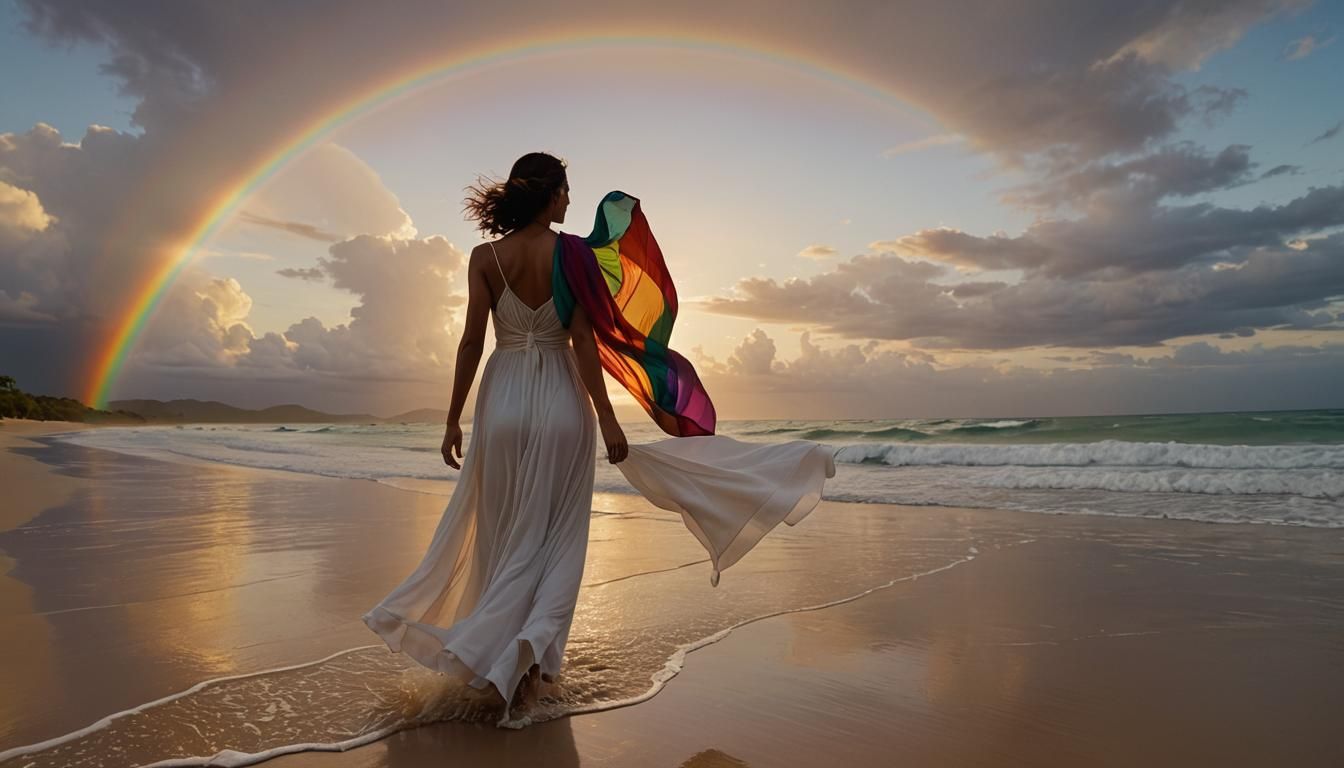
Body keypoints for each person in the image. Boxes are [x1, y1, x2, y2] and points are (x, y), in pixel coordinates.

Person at [363, 152, 835, 728]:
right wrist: (609, 421)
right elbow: (584, 342)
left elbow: (469, 343)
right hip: (562, 402)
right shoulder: (572, 254)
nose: (568, 202)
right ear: (548, 194)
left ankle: (498, 660)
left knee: (504, 533)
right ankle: (528, 672)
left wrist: (452, 418)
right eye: (565, 192)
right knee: (557, 542)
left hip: (502, 402)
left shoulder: (485, 257)